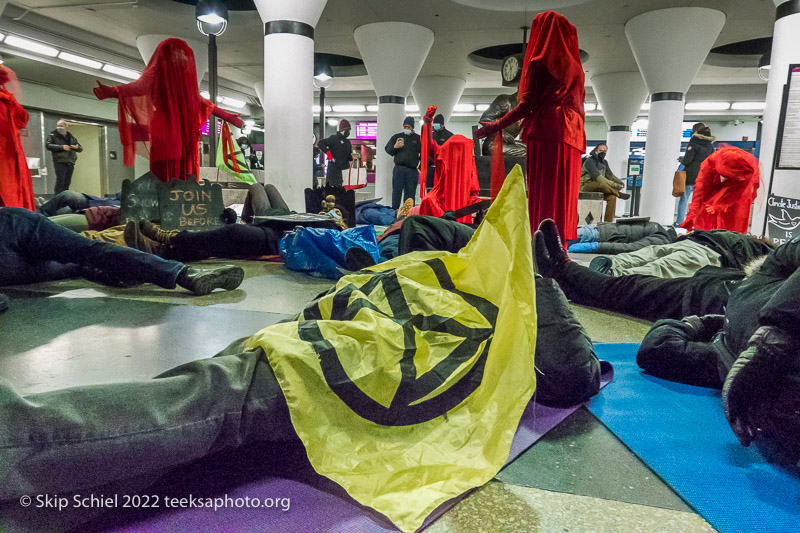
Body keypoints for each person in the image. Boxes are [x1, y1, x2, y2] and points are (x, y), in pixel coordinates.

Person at [534, 218, 800, 458]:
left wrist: (706, 325)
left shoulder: (728, 362)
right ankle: (564, 272)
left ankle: (562, 275)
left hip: (712, 304)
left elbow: (657, 349)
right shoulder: (766, 280)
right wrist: (771, 335)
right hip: (718, 290)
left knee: (629, 288)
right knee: (628, 286)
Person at [475, 10, 586, 242]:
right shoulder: (576, 68)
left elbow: (526, 107)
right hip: (573, 133)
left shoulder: (540, 63)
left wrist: (492, 127)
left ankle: (541, 243)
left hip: (547, 129)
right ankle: (560, 246)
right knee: (564, 193)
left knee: (544, 192)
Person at [92, 38, 244, 182]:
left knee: (186, 172)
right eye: (178, 54)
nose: (183, 58)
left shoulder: (184, 82)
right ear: (167, 56)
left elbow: (202, 102)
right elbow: (139, 87)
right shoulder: (156, 76)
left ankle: (183, 202)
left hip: (185, 132)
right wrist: (114, 91)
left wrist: (227, 116)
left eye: (184, 54)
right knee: (165, 175)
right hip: (166, 130)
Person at [0, 207, 244, 295]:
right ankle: (124, 270)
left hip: (14, 235)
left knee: (87, 252)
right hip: (15, 259)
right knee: (83, 261)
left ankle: (182, 273)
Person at [587, 229, 774, 279]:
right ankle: (615, 277)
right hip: (709, 254)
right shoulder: (764, 252)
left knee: (650, 254)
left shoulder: (734, 235)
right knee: (662, 268)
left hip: (691, 241)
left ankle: (611, 264)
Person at [681, 146, 759, 234]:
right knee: (707, 219)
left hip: (734, 204)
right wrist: (692, 215)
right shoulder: (710, 165)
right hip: (711, 204)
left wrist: (722, 204)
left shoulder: (746, 170)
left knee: (732, 224)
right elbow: (700, 193)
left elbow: (747, 193)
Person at [0, 66, 36, 211]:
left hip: (9, 161)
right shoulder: (6, 101)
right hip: (8, 162)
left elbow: (21, 119)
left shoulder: (6, 101)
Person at [580, 144, 630, 222]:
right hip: (585, 186)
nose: (603, 153)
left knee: (612, 198)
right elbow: (599, 178)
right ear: (596, 151)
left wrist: (619, 182)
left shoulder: (604, 162)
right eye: (600, 151)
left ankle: (608, 223)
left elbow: (610, 175)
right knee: (601, 184)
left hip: (598, 188)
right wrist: (615, 185)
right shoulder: (590, 161)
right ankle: (618, 194)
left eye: (604, 151)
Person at [676, 124, 715, 225]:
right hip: (703, 176)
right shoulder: (710, 145)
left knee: (683, 200)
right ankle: (697, 223)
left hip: (691, 175)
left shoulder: (693, 143)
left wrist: (681, 165)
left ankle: (680, 222)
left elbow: (688, 160)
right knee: (699, 202)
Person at [385, 116, 422, 209]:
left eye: (408, 127)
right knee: (397, 191)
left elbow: (424, 153)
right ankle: (395, 211)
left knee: (410, 192)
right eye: (405, 127)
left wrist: (420, 166)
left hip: (412, 170)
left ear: (412, 127)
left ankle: (408, 212)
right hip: (399, 169)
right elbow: (388, 150)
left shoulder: (418, 139)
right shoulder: (396, 137)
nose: (406, 129)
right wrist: (395, 147)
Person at [46, 119, 83, 194]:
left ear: (66, 127)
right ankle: (58, 198)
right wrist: (61, 147)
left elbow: (80, 148)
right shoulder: (52, 135)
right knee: (60, 181)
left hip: (70, 161)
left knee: (67, 182)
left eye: (61, 126)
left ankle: (65, 198)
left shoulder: (71, 137)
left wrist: (77, 147)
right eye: (58, 126)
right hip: (60, 161)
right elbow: (48, 145)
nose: (59, 127)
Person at [317, 119, 353, 187]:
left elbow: (348, 156)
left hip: (344, 172)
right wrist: (329, 154)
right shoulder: (333, 138)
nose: (348, 132)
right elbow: (320, 143)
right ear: (342, 130)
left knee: (343, 193)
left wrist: (352, 157)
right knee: (332, 193)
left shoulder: (348, 142)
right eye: (347, 130)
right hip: (334, 172)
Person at [425, 114, 455, 190]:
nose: (435, 126)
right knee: (430, 190)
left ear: (442, 125)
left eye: (437, 124)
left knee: (443, 190)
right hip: (431, 168)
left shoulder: (449, 136)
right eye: (434, 124)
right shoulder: (430, 135)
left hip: (443, 168)